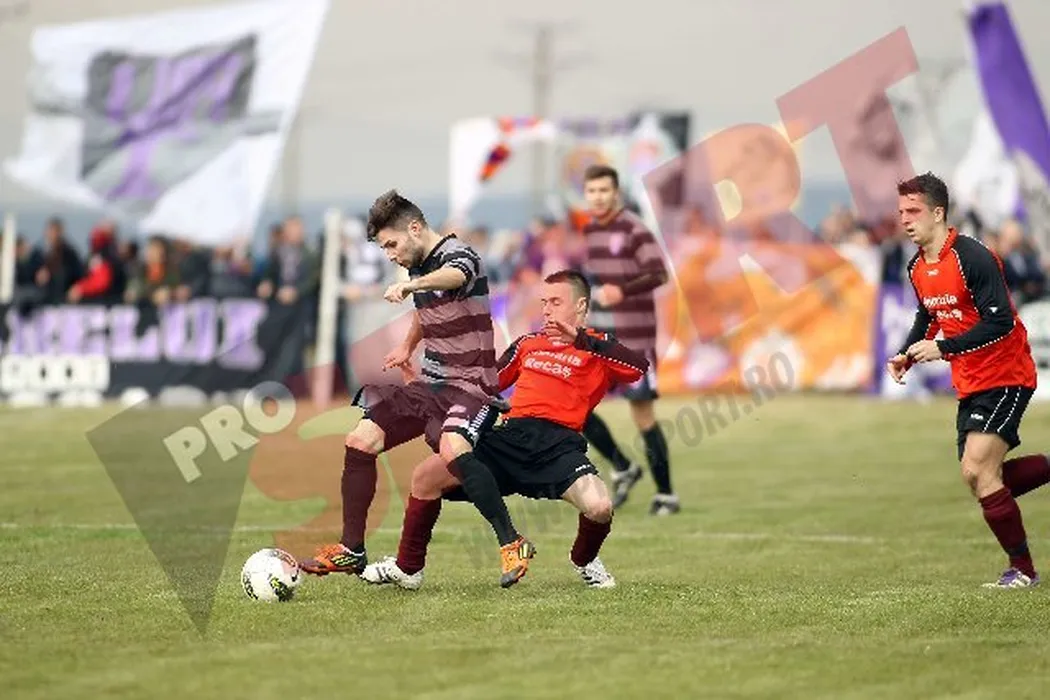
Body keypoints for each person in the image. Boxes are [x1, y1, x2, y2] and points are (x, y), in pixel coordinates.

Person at [358, 270, 649, 590]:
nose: (546, 310)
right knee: (425, 477)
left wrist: (580, 340)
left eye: (555, 302)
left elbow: (639, 367)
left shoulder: (598, 346)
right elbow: (485, 385)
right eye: (544, 302)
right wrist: (425, 387)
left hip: (559, 447)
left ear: (580, 305)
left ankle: (584, 560)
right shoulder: (528, 343)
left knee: (600, 508)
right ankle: (408, 568)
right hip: (510, 437)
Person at [299, 189, 532, 582]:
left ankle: (513, 543)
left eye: (391, 245)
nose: (390, 254)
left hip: (472, 387)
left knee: (453, 448)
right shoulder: (417, 267)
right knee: (360, 440)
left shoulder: (459, 254)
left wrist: (412, 285)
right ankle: (352, 550)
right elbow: (427, 310)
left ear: (415, 228)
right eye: (383, 248)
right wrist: (407, 346)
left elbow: (455, 276)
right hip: (433, 384)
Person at [889, 172, 1050, 589]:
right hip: (971, 379)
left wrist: (942, 348)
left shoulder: (973, 257)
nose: (904, 219)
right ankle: (1023, 568)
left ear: (937, 213)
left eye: (913, 211)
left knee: (979, 468)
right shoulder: (917, 266)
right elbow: (928, 314)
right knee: (978, 477)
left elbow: (1000, 322)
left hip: (1007, 373)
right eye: (901, 211)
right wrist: (908, 353)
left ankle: (1024, 571)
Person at [577, 164, 679, 515]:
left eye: (604, 190)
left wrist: (622, 291)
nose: (598, 197)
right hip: (602, 337)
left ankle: (666, 495)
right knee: (577, 405)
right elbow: (596, 280)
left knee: (642, 414)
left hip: (635, 338)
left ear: (615, 192)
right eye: (592, 191)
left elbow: (659, 274)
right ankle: (623, 467)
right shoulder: (590, 230)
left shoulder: (635, 229)